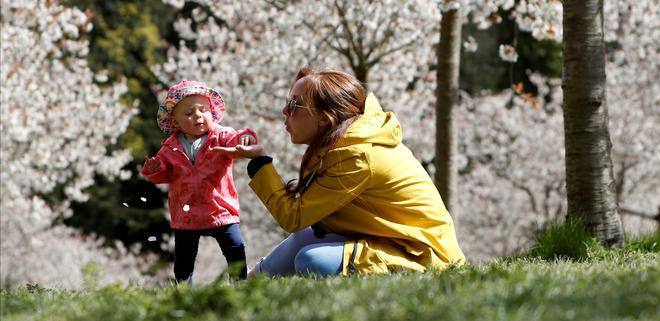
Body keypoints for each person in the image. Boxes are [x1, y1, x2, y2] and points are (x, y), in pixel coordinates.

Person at [211, 67, 465, 277]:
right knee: (304, 239)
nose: (284, 112)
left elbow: (293, 216)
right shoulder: (346, 144)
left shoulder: (356, 156)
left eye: (294, 105)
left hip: (423, 255)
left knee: (312, 260)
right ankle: (248, 283)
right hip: (387, 239)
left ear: (325, 118)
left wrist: (259, 162)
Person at [141, 80, 257, 283]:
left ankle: (240, 283)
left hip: (220, 208)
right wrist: (155, 169)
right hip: (185, 213)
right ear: (175, 121)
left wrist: (244, 138)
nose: (198, 116)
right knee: (184, 258)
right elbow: (164, 175)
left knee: (235, 248)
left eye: (203, 110)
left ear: (212, 112)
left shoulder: (220, 136)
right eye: (189, 113)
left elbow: (235, 141)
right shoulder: (170, 147)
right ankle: (183, 289)